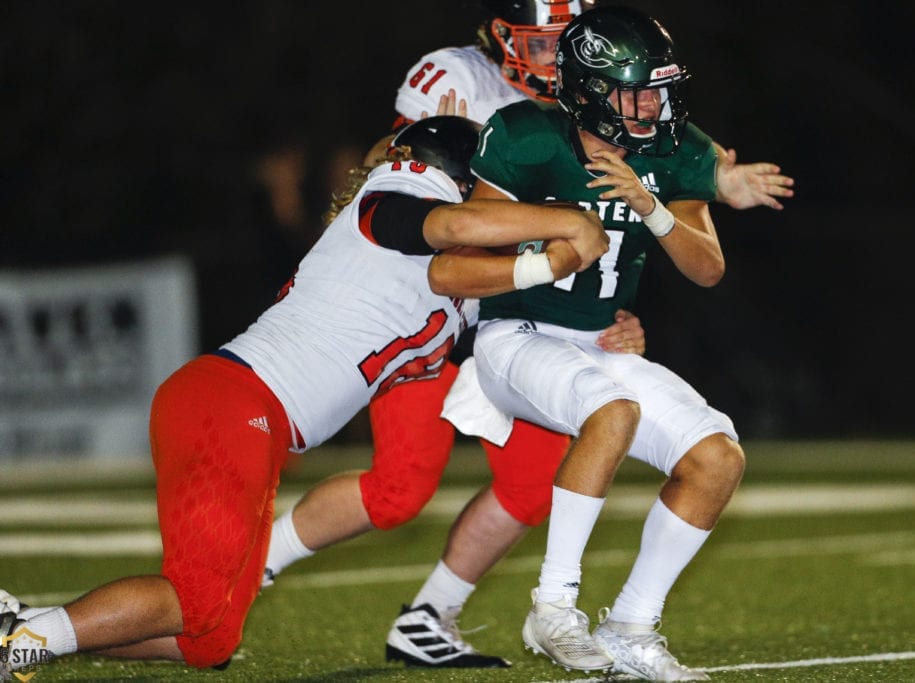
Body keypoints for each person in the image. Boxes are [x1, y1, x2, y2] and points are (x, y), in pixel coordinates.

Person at [263, 0, 792, 671]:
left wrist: (707, 189)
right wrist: (566, 247)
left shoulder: (624, 116)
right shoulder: (462, 85)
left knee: (536, 483)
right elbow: (402, 174)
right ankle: (260, 560)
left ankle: (429, 614)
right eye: (542, 44)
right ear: (507, 40)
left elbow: (688, 178)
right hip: (438, 304)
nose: (551, 56)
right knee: (401, 486)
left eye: (562, 44)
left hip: (539, 310)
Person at [0, 116, 612, 678]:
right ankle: (21, 642)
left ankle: (28, 624)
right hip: (234, 401)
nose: (495, 196)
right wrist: (566, 220)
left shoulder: (445, 276)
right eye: (486, 182)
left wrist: (604, 317)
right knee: (192, 599)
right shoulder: (395, 198)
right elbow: (456, 225)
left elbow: (492, 298)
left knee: (206, 641)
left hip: (258, 423)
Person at [455, 6, 760, 680]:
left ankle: (630, 627)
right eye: (637, 89)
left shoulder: (674, 150)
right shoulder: (528, 136)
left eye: (661, 87)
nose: (654, 104)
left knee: (716, 455)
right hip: (515, 334)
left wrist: (648, 205)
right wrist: (560, 221)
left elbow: (707, 268)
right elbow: (464, 232)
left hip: (599, 343)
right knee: (609, 410)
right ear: (591, 90)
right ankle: (553, 604)